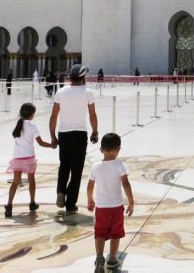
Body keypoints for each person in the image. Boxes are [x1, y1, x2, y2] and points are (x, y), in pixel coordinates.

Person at [49, 64, 98, 215]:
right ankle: (70, 204)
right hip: (80, 134)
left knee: (64, 165)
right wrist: (95, 132)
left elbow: (54, 116)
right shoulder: (87, 92)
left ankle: (60, 191)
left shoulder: (61, 92)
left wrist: (53, 136)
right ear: (83, 77)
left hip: (64, 134)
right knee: (76, 170)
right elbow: (92, 115)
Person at [88, 133, 134, 273]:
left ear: (101, 149)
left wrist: (90, 199)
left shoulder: (96, 166)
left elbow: (90, 185)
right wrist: (131, 201)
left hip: (101, 207)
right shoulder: (120, 165)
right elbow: (126, 184)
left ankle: (99, 256)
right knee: (116, 233)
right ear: (118, 150)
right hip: (116, 207)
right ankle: (112, 258)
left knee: (100, 232)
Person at [5, 102, 55, 217]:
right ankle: (32, 203)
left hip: (17, 157)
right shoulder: (32, 127)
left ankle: (9, 206)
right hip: (29, 158)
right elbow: (41, 143)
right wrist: (51, 145)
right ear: (32, 115)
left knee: (15, 182)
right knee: (31, 180)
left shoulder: (18, 126)